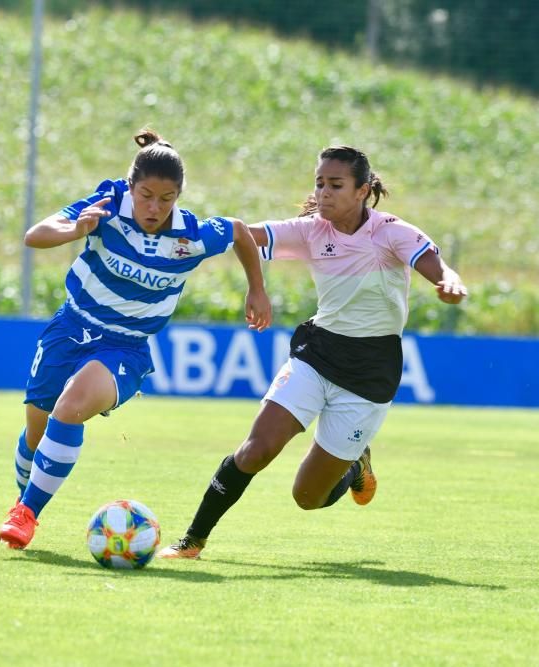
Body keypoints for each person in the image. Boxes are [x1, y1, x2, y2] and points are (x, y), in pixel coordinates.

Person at [158, 145, 468, 560]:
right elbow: (240, 234)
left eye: (335, 185)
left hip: (371, 373)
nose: (323, 193)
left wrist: (448, 282)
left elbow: (435, 264)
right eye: (319, 183)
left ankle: (355, 463)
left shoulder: (391, 231)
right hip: (317, 354)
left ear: (362, 190)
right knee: (256, 449)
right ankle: (192, 540)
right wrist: (175, 231)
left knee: (308, 497)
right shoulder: (309, 230)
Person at [0, 128, 273, 550]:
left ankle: (27, 513)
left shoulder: (191, 235)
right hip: (70, 329)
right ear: (131, 187)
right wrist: (77, 228)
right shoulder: (107, 205)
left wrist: (257, 289)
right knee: (35, 433)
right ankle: (24, 501)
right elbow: (36, 234)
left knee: (70, 406)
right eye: (146, 195)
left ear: (179, 196)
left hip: (125, 347)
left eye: (166, 199)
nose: (154, 207)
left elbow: (239, 231)